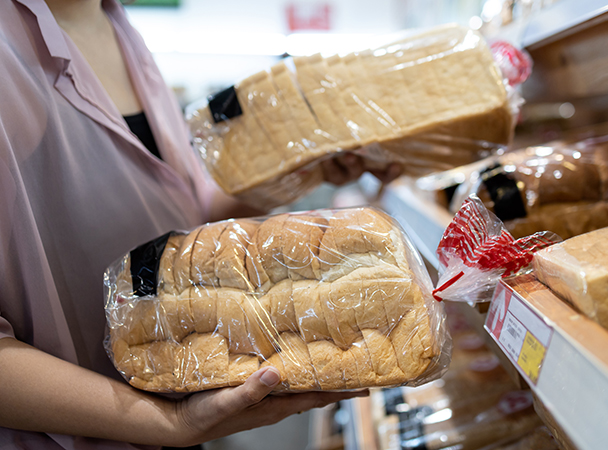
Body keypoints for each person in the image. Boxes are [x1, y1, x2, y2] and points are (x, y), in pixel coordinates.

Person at [0, 0, 399, 448]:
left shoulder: (116, 22)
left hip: (176, 390)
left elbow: (183, 208)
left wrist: (309, 167)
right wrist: (165, 424)